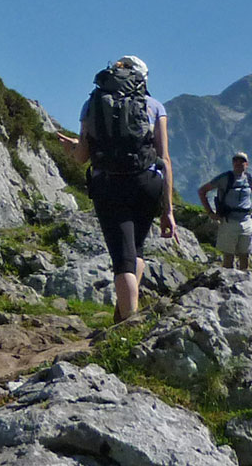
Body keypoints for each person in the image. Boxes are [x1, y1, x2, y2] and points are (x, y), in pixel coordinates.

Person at [54, 55, 174, 323]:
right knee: (137, 250)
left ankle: (127, 328)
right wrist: (168, 210)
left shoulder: (93, 104)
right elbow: (164, 159)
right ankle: (123, 314)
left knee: (122, 260)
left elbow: (82, 157)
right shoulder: (154, 106)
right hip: (147, 184)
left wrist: (72, 148)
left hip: (109, 185)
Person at [198, 151, 252, 270]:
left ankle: (245, 283)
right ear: (232, 163)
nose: (238, 163)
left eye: (242, 161)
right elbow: (202, 191)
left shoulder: (249, 178)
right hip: (229, 221)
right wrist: (210, 213)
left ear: (246, 164)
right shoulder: (224, 178)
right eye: (236, 161)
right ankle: (227, 283)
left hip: (246, 221)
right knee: (228, 256)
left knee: (245, 256)